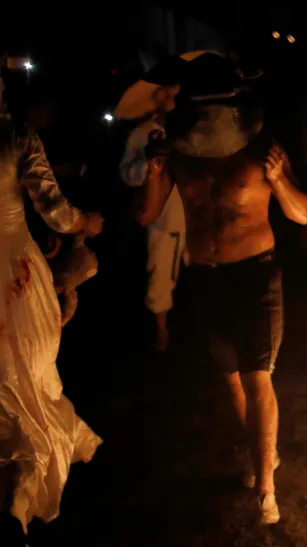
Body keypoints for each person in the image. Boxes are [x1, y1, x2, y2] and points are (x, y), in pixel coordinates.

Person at [134, 53, 307, 524]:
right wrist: (153, 172)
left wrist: (278, 178)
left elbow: (302, 213)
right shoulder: (178, 154)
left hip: (254, 276)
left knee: (257, 377)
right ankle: (262, 452)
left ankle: (266, 489)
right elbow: (147, 214)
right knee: (229, 377)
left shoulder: (261, 150)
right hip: (204, 277)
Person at [1, 58, 103, 547]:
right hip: (14, 274)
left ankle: (14, 504)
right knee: (30, 382)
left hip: (17, 263)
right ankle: (16, 504)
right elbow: (55, 210)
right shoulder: (17, 137)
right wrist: (86, 222)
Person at [116, 58, 189, 351]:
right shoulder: (142, 133)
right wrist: (149, 166)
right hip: (162, 213)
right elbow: (127, 173)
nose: (171, 98)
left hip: (186, 208)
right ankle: (160, 331)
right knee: (160, 266)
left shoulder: (184, 129)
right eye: (166, 92)